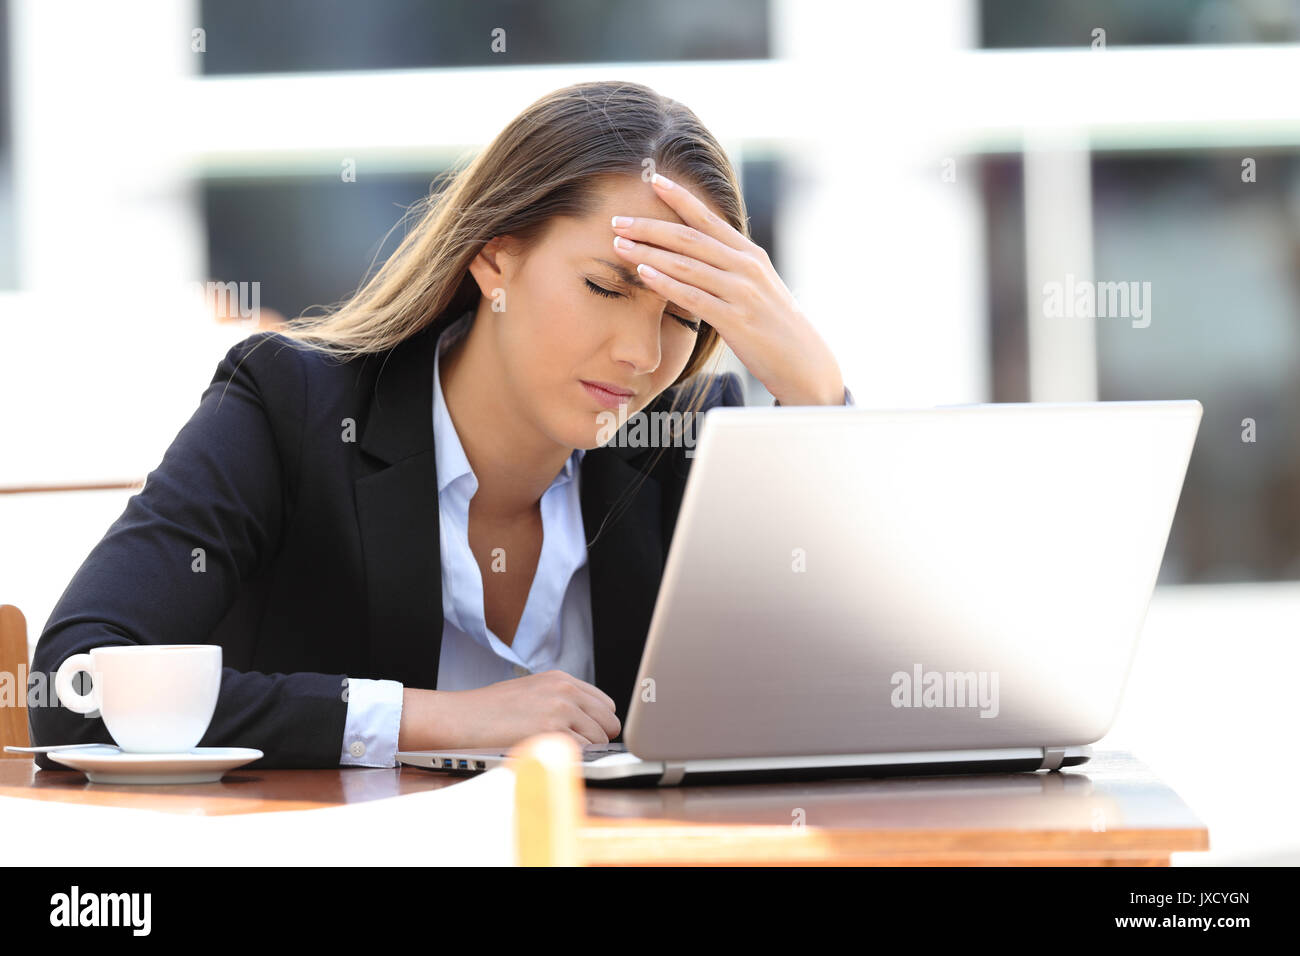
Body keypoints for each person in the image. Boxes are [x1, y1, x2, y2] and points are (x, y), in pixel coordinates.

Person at [28, 80, 851, 770]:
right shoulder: (291, 408)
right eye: (606, 288)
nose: (641, 354)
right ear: (495, 257)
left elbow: (857, 694)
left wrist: (816, 395)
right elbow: (75, 685)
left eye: (683, 315)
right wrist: (435, 718)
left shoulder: (692, 441)